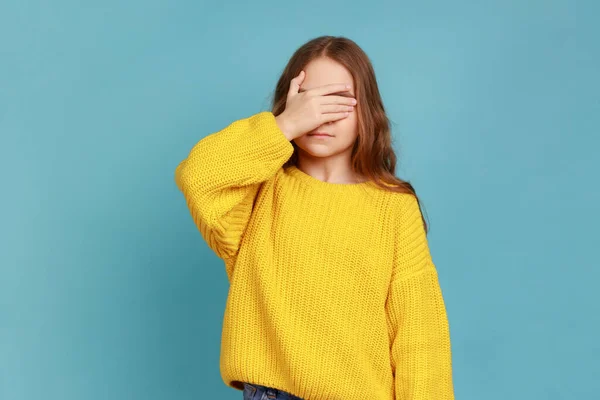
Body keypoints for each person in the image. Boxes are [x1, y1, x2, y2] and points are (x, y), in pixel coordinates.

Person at [174, 35, 455, 400]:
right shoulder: (260, 191)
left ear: (367, 111)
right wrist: (284, 126)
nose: (320, 116)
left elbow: (419, 333)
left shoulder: (394, 207)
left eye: (338, 101)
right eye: (308, 100)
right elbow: (199, 176)